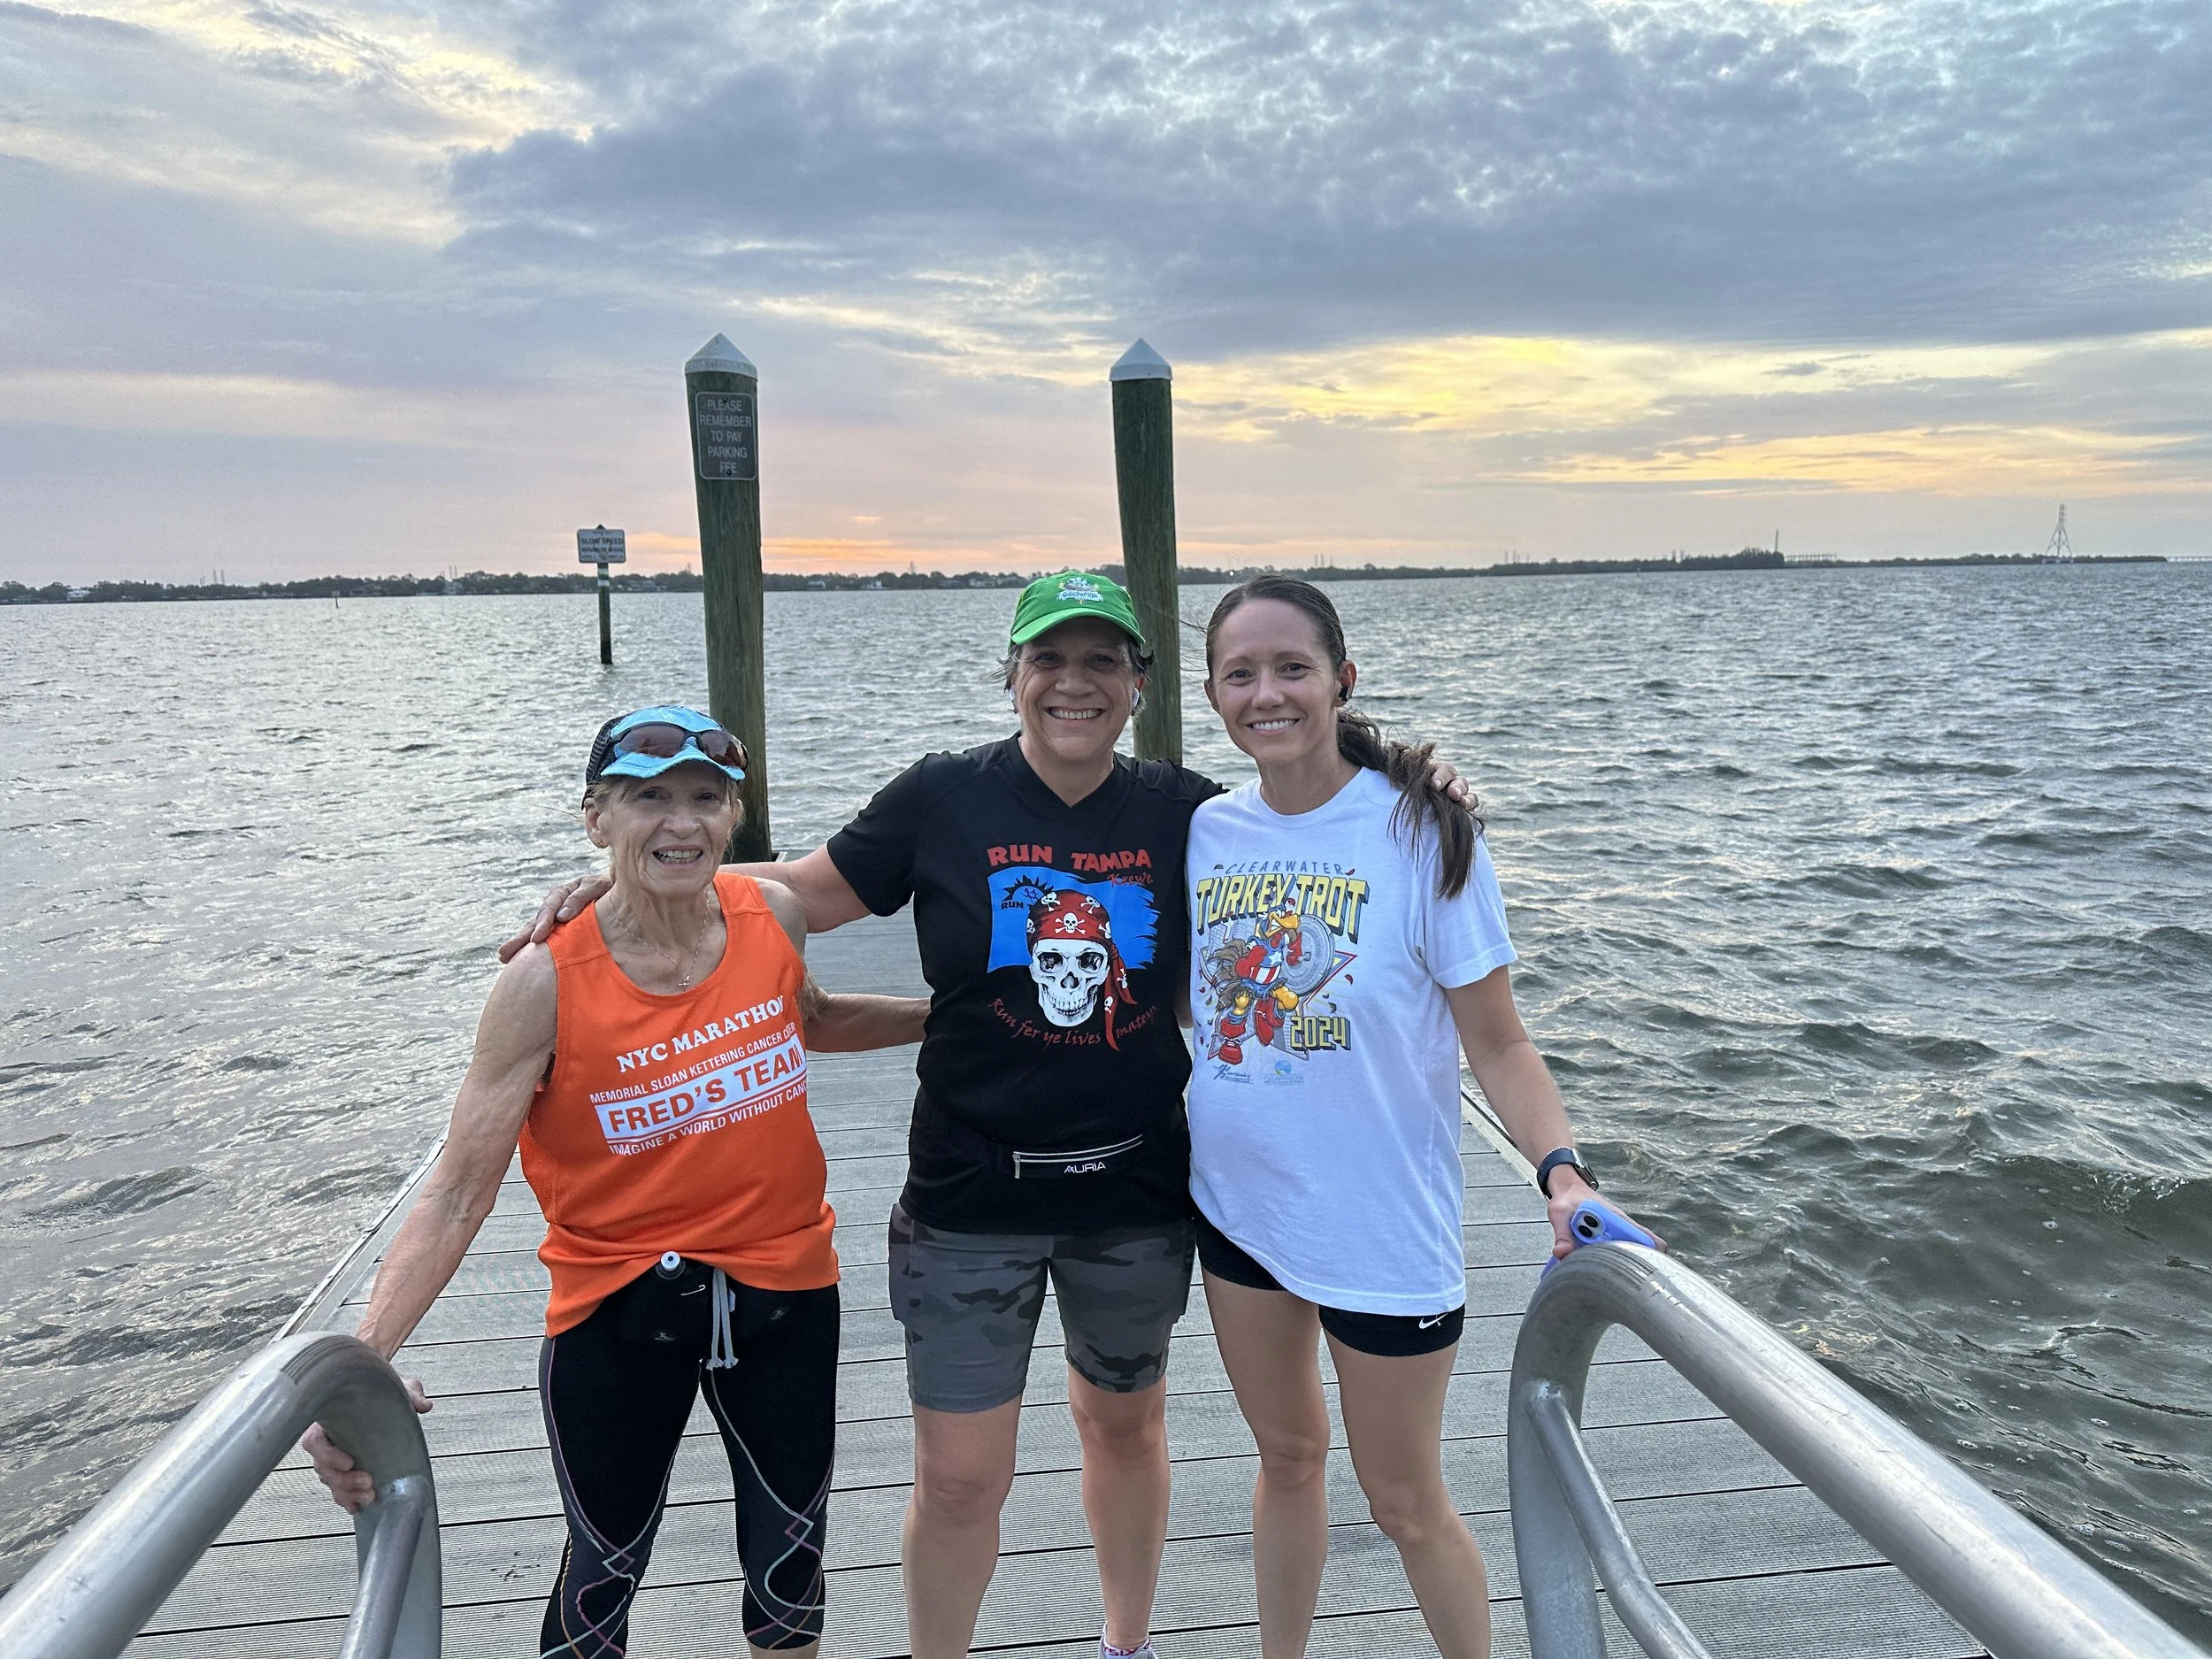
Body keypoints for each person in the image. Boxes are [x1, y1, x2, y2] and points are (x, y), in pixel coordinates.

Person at [508, 576, 1471, 1659]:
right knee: (961, 1479)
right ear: (1010, 676)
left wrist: (1417, 780)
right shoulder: (942, 797)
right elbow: (803, 896)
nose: (1073, 682)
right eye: (1047, 660)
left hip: (1135, 1194)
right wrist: (629, 882)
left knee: (1124, 1428)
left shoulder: (1185, 811)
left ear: (1140, 687)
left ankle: (1125, 1643)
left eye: (1102, 661)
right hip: (969, 1196)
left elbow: (1303, 808)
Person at [304, 706, 926, 1659]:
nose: (681, 823)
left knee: (791, 1564)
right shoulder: (544, 981)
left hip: (787, 1294)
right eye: (649, 800)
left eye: (705, 800)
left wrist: (947, 1017)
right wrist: (362, 1359)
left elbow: (810, 1017)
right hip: (617, 1309)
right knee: (603, 1568)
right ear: (596, 818)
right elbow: (458, 1188)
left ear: (733, 817)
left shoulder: (774, 918)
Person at [1186, 575, 1653, 1659]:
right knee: (1287, 1461)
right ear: (1210, 695)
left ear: (1341, 682)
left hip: (1383, 1225)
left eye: (1292, 668)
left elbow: (1496, 1037)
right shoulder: (1205, 828)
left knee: (1404, 1501)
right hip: (1238, 1208)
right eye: (1241, 673)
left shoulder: (1423, 831)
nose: (1268, 693)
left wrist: (1561, 1171)